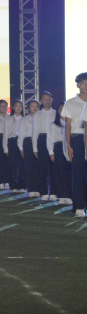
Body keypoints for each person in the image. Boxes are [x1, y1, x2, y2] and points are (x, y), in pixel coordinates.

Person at [64, 73, 87, 217]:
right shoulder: (71, 102)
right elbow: (67, 125)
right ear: (78, 85)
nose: (86, 85)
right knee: (78, 174)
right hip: (77, 140)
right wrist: (69, 146)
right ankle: (79, 206)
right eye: (83, 83)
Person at [47, 102, 71, 205]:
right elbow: (50, 140)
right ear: (58, 111)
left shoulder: (72, 123)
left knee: (69, 173)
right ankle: (61, 196)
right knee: (59, 173)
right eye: (61, 109)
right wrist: (51, 152)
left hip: (70, 148)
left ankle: (69, 196)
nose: (63, 111)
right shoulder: (53, 124)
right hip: (58, 149)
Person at [34, 92, 56, 200]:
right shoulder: (37, 114)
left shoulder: (56, 113)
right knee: (42, 168)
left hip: (54, 140)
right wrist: (35, 148)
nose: (47, 101)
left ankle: (54, 192)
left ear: (52, 100)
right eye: (44, 99)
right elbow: (34, 132)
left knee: (54, 168)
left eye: (49, 99)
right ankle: (43, 192)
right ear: (41, 101)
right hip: (42, 140)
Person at [19, 99, 40, 197]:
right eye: (32, 106)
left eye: (36, 106)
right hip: (28, 143)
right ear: (28, 108)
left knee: (38, 168)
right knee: (29, 167)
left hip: (39, 143)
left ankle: (38, 188)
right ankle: (31, 189)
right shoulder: (24, 119)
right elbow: (21, 135)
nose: (34, 108)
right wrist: (21, 148)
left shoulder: (41, 118)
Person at [5, 100, 24, 193]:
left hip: (22, 142)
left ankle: (22, 185)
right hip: (12, 142)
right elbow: (5, 135)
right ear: (13, 107)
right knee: (12, 165)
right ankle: (13, 186)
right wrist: (5, 148)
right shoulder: (9, 119)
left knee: (22, 165)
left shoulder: (25, 119)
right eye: (16, 106)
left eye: (20, 106)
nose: (18, 108)